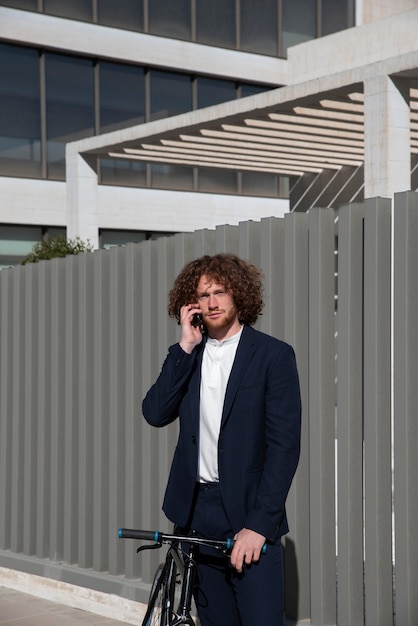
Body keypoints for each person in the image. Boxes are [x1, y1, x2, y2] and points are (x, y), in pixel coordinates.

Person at [142, 253, 301, 626]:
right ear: (191, 304)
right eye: (203, 295)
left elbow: (284, 447)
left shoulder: (273, 355)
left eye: (220, 292)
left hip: (249, 513)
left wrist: (260, 526)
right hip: (197, 514)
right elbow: (155, 413)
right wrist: (184, 347)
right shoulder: (189, 356)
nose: (212, 302)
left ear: (238, 295)